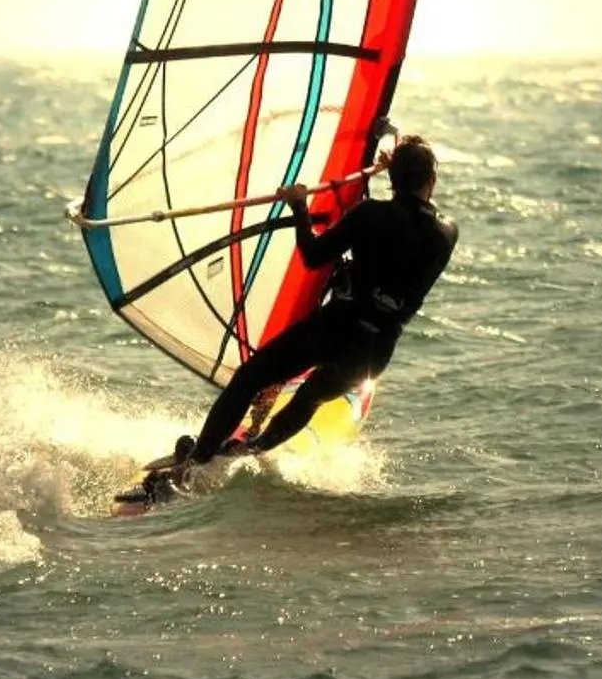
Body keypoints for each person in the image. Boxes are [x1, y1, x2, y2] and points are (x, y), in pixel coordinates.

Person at [180, 134, 459, 470]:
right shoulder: (446, 233)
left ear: (393, 177)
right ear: (432, 180)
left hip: (335, 328)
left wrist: (299, 205)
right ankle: (250, 450)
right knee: (311, 397)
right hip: (375, 349)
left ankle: (199, 459)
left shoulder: (370, 215)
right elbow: (401, 231)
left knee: (250, 378)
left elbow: (314, 256)